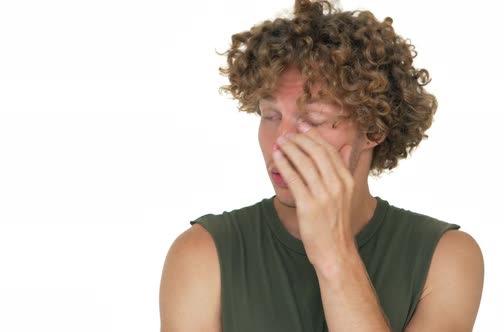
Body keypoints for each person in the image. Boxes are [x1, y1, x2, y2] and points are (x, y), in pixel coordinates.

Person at [159, 0, 484, 331]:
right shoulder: (203, 253)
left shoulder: (446, 258)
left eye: (311, 119)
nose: (279, 143)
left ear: (373, 130)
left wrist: (335, 256)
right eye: (270, 116)